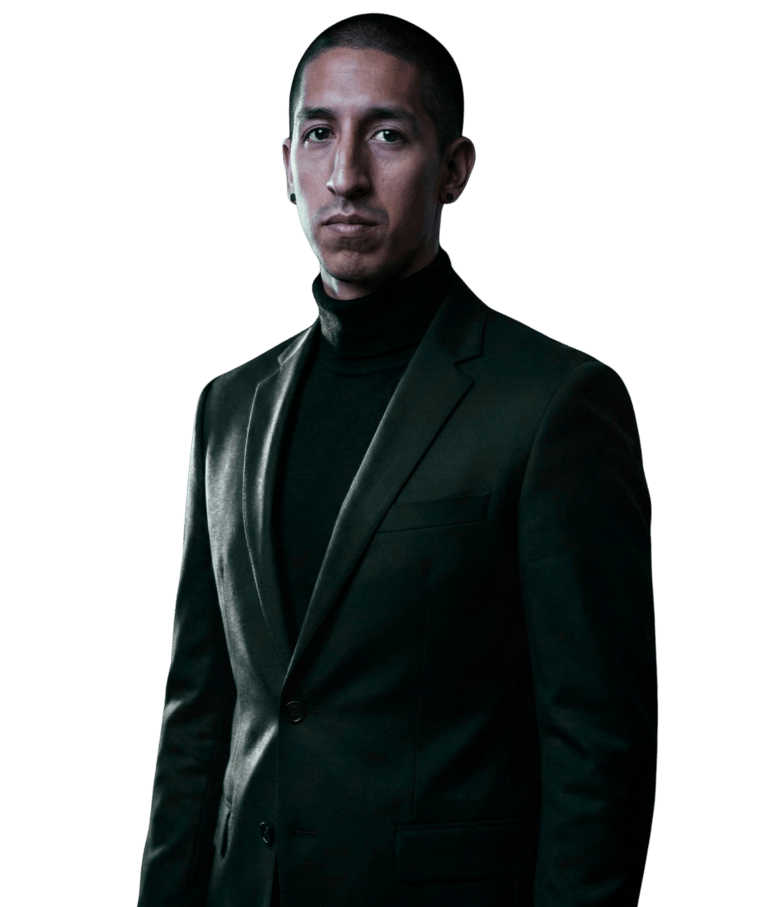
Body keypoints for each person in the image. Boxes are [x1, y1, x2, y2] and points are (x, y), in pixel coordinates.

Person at [136, 12, 658, 907]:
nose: (345, 175)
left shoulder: (553, 404)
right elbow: (196, 715)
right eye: (318, 134)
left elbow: (598, 749)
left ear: (454, 169)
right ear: (286, 166)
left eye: (387, 135)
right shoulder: (228, 406)